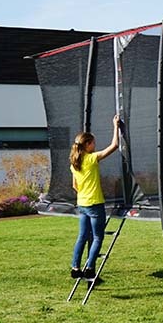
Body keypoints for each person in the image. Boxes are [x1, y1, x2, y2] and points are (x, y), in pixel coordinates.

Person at [69, 114, 120, 280]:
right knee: (98, 237)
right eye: (93, 143)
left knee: (82, 236)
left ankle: (75, 268)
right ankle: (90, 268)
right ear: (87, 144)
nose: (95, 145)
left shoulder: (74, 163)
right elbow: (114, 145)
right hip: (95, 204)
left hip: (82, 204)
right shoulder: (91, 159)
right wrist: (116, 126)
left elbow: (74, 186)